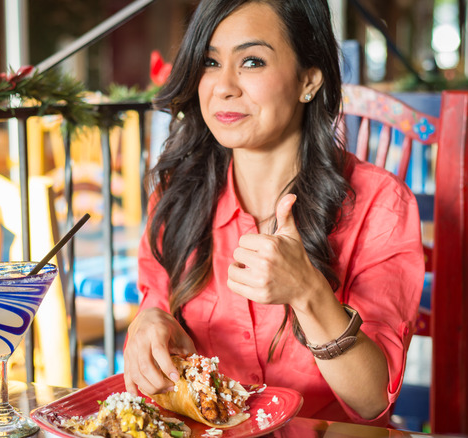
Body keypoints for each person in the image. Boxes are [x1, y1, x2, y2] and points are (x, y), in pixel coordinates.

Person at [122, 0, 424, 426]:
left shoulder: (380, 203)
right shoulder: (176, 195)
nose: (223, 86)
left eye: (251, 61)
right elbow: (155, 307)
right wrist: (149, 325)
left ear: (309, 79)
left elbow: (372, 400)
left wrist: (308, 292)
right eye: (209, 61)